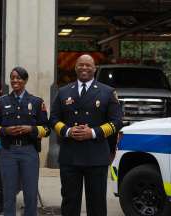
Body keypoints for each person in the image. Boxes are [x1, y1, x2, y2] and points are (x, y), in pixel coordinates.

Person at [49, 54, 122, 216]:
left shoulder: (107, 92)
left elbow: (117, 122)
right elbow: (53, 119)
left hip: (96, 156)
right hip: (70, 155)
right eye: (80, 65)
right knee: (69, 202)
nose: (84, 68)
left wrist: (93, 132)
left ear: (94, 69)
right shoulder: (63, 92)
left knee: (97, 204)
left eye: (88, 65)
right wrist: (68, 131)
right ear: (75, 68)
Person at [0, 66, 50, 216]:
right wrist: (5, 131)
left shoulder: (36, 102)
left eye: (19, 78)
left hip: (29, 151)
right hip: (8, 152)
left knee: (30, 193)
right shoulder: (2, 102)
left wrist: (31, 129)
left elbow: (47, 129)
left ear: (25, 80)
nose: (15, 80)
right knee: (9, 194)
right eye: (13, 78)